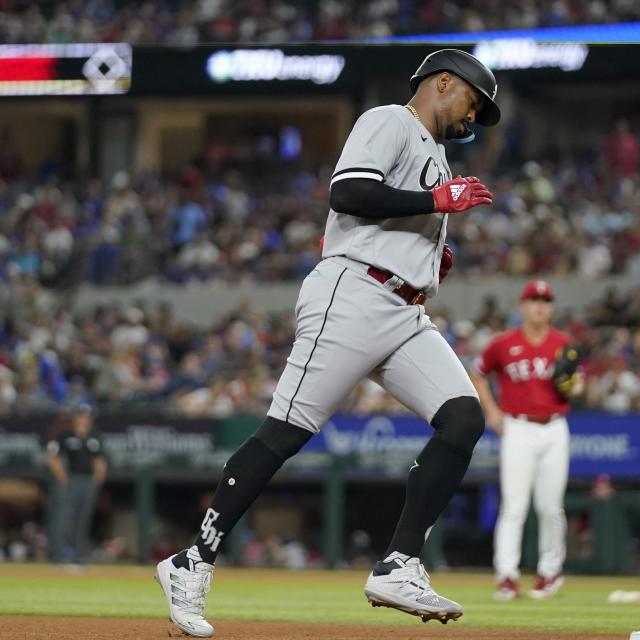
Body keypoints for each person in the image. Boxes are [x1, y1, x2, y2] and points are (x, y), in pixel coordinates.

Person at [155, 48, 500, 636]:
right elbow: (349, 194)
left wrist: (430, 252)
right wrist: (435, 205)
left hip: (404, 308)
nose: (474, 118)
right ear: (444, 83)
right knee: (285, 432)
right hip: (354, 292)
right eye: (473, 103)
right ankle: (192, 561)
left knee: (465, 417)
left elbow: (398, 214)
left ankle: (398, 563)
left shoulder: (437, 156)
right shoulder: (390, 120)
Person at [470, 280, 584, 601]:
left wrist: (572, 385)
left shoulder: (564, 343)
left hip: (554, 426)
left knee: (550, 507)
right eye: (534, 299)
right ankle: (506, 575)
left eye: (546, 300)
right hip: (517, 427)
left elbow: (577, 387)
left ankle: (550, 572)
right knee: (514, 506)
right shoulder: (504, 343)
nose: (540, 306)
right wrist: (491, 411)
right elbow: (477, 372)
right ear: (522, 305)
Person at [46, 403, 107, 565]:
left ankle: (77, 557)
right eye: (81, 416)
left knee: (83, 519)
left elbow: (99, 459)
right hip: (71, 479)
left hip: (88, 481)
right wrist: (62, 477)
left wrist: (97, 480)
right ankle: (58, 556)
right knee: (64, 518)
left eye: (88, 417)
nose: (85, 420)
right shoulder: (65, 435)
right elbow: (52, 457)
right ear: (75, 417)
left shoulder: (94, 435)